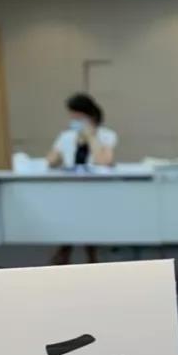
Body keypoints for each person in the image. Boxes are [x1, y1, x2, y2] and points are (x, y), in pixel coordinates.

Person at [47, 93, 117, 265]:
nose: (74, 119)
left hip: (94, 189)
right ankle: (64, 253)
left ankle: (90, 257)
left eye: (78, 117)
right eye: (72, 116)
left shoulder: (106, 135)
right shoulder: (66, 136)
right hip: (70, 188)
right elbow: (51, 160)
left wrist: (91, 137)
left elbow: (104, 161)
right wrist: (60, 152)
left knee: (88, 220)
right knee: (69, 218)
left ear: (89, 116)